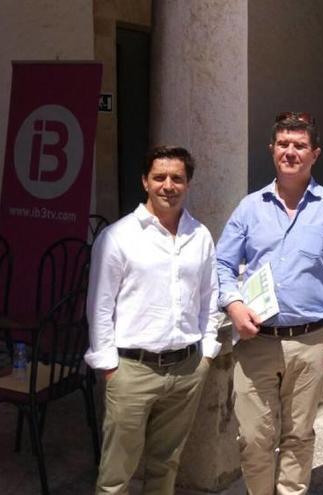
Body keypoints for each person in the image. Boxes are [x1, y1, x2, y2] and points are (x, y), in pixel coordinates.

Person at [216, 112, 323, 495]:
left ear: (315, 153)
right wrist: (232, 305)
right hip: (256, 341)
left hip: (310, 342)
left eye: (299, 146)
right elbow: (223, 264)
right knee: (253, 437)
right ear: (272, 150)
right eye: (283, 144)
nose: (290, 152)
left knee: (299, 435)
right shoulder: (249, 208)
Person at [85, 145, 221, 494]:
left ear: (188, 184)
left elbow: (210, 297)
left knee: (166, 464)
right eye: (159, 177)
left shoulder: (200, 236)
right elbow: (99, 305)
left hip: (186, 369)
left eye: (177, 178)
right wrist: (109, 367)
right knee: (117, 472)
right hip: (133, 371)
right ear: (145, 182)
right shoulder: (118, 236)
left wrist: (206, 352)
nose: (168, 185)